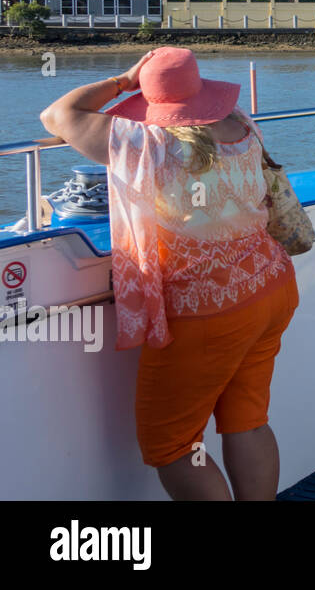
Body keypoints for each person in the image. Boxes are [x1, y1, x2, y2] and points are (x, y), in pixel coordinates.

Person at [39, 47, 298, 500]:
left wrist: (123, 81)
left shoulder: (144, 142)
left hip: (208, 310)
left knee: (173, 447)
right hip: (271, 284)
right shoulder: (241, 123)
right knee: (248, 421)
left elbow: (57, 115)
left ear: (150, 99)